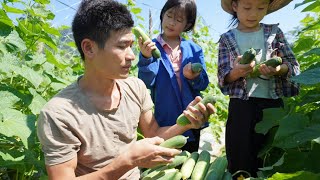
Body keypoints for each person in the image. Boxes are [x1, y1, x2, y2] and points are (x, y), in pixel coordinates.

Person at [36, 0, 215, 180]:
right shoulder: (58, 114)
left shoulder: (134, 88)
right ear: (89, 48)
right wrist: (129, 161)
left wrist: (187, 122)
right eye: (122, 46)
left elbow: (153, 133)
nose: (131, 55)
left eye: (131, 46)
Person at [218, 0, 300, 178]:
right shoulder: (227, 38)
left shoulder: (274, 32)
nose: (253, 13)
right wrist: (237, 72)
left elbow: (292, 65)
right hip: (241, 105)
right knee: (240, 153)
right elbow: (223, 75)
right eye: (247, 7)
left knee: (271, 153)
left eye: (261, 8)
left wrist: (279, 69)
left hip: (272, 104)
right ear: (235, 6)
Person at [137, 0, 209, 153]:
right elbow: (146, 82)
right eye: (169, 16)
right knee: (167, 161)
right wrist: (146, 58)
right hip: (166, 120)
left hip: (192, 116)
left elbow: (203, 84)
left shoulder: (194, 49)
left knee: (189, 161)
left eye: (179, 20)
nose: (171, 22)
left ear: (187, 25)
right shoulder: (150, 48)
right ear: (163, 15)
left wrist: (193, 77)